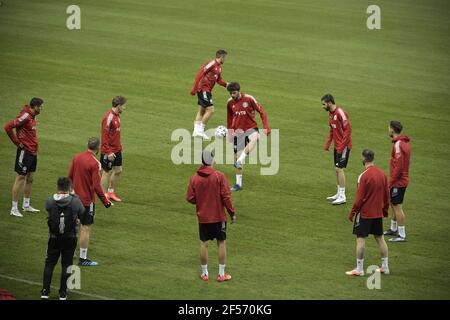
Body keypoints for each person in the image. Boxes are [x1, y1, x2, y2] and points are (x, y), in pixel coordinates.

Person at [186, 150, 236, 282]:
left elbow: (190, 198)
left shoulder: (194, 178)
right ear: (211, 160)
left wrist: (201, 201)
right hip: (219, 216)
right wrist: (232, 213)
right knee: (221, 243)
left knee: (204, 244)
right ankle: (221, 274)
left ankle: (205, 273)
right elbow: (226, 197)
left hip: (203, 217)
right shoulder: (219, 176)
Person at [68, 137, 112, 266]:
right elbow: (97, 186)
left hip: (73, 198)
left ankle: (70, 252)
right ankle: (83, 258)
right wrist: (105, 202)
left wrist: (70, 193)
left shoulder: (77, 158)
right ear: (98, 148)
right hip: (87, 201)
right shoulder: (95, 163)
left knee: (73, 225)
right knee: (85, 227)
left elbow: (69, 176)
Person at [346, 149, 390, 276]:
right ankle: (385, 267)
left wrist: (352, 212)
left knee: (360, 240)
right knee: (380, 238)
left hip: (365, 213)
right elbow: (387, 195)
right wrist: (385, 210)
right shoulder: (382, 174)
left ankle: (359, 269)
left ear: (364, 158)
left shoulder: (363, 176)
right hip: (377, 212)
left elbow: (359, 199)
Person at [41, 177, 85, 300]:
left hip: (54, 237)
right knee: (66, 265)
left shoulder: (50, 201)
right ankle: (63, 293)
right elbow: (82, 212)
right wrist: (74, 196)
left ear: (58, 187)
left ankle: (45, 291)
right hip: (70, 237)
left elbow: (48, 210)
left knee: (49, 263)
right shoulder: (75, 201)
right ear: (69, 187)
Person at [4, 97, 44, 217]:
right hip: (25, 152)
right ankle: (14, 208)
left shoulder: (32, 116)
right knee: (20, 178)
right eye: (41, 106)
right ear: (35, 106)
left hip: (32, 152)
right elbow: (8, 126)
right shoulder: (26, 116)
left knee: (30, 179)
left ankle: (26, 205)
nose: (42, 109)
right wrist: (17, 142)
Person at [226, 82, 270, 192]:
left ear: (239, 91)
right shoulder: (230, 103)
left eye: (234, 93)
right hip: (238, 131)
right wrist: (230, 133)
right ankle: (238, 184)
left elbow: (262, 112)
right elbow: (229, 118)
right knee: (237, 156)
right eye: (231, 93)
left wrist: (266, 127)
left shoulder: (249, 99)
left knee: (255, 137)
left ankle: (240, 160)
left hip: (251, 128)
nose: (232, 95)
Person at [190, 49, 228, 140]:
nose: (225, 60)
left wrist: (226, 84)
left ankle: (196, 132)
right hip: (203, 89)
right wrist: (194, 88)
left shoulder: (219, 67)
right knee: (211, 110)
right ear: (221, 57)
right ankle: (200, 131)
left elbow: (218, 80)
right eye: (225, 58)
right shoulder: (212, 63)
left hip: (207, 90)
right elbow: (200, 73)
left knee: (202, 110)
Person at [322, 94, 352, 205]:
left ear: (329, 103)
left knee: (339, 169)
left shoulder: (340, 113)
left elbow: (348, 131)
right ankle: (339, 193)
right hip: (337, 146)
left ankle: (343, 196)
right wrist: (328, 143)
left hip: (344, 146)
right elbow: (332, 130)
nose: (323, 106)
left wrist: (341, 146)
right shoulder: (331, 114)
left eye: (324, 104)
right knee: (336, 169)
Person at [384, 121, 410, 242]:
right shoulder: (404, 142)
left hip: (398, 181)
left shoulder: (398, 144)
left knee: (397, 207)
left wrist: (392, 181)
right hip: (402, 179)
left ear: (393, 129)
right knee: (394, 204)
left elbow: (399, 165)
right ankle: (393, 228)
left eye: (389, 128)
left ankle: (402, 235)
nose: (388, 130)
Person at [100, 96, 127, 202]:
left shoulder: (117, 116)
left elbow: (115, 134)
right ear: (119, 106)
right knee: (106, 171)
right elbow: (104, 136)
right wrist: (108, 151)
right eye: (124, 106)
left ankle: (111, 192)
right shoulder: (109, 117)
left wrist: (119, 145)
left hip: (116, 149)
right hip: (109, 151)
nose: (125, 108)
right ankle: (104, 195)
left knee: (118, 170)